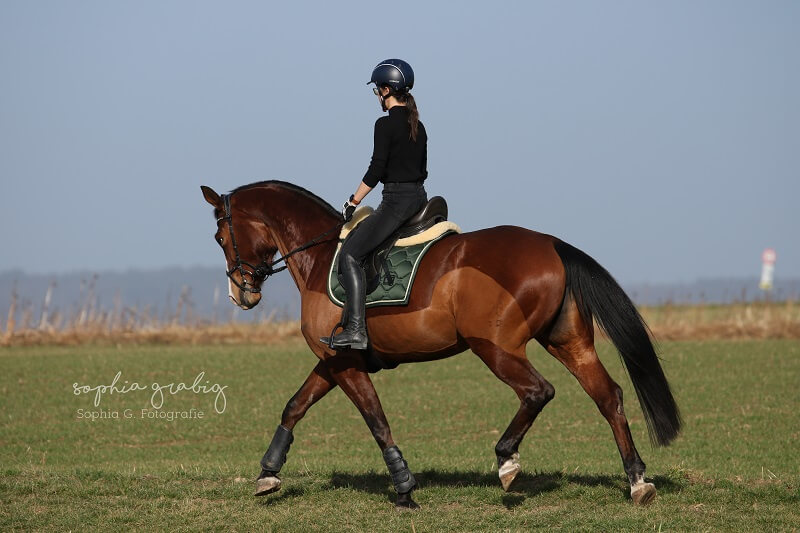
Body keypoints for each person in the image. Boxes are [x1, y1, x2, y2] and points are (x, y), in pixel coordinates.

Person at [321, 58, 428, 350]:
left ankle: (356, 330)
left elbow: (376, 170)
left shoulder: (384, 125)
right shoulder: (419, 125)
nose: (377, 97)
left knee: (350, 255)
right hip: (419, 197)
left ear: (385, 89)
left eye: (378, 91)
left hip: (395, 202)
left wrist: (353, 201)